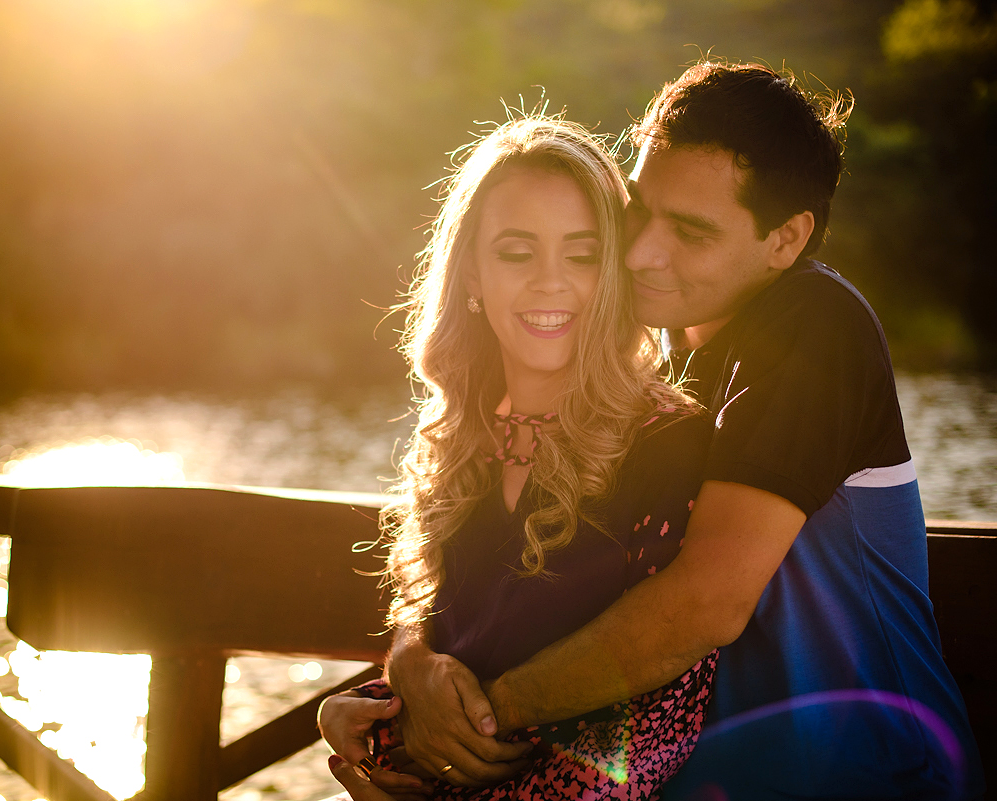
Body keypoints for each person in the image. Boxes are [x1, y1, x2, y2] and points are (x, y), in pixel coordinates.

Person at [359, 63, 985, 800]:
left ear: (786, 238)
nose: (642, 252)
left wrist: (467, 728)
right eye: (637, 214)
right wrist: (406, 678)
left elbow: (705, 603)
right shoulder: (652, 359)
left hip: (867, 772)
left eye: (689, 231)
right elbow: (488, 593)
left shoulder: (816, 326)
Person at [318, 115, 721, 799]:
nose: (550, 282)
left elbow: (661, 724)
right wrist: (365, 719)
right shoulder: (462, 439)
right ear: (471, 269)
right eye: (516, 252)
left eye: (582, 253)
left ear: (615, 271)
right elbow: (460, 653)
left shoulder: (668, 444)